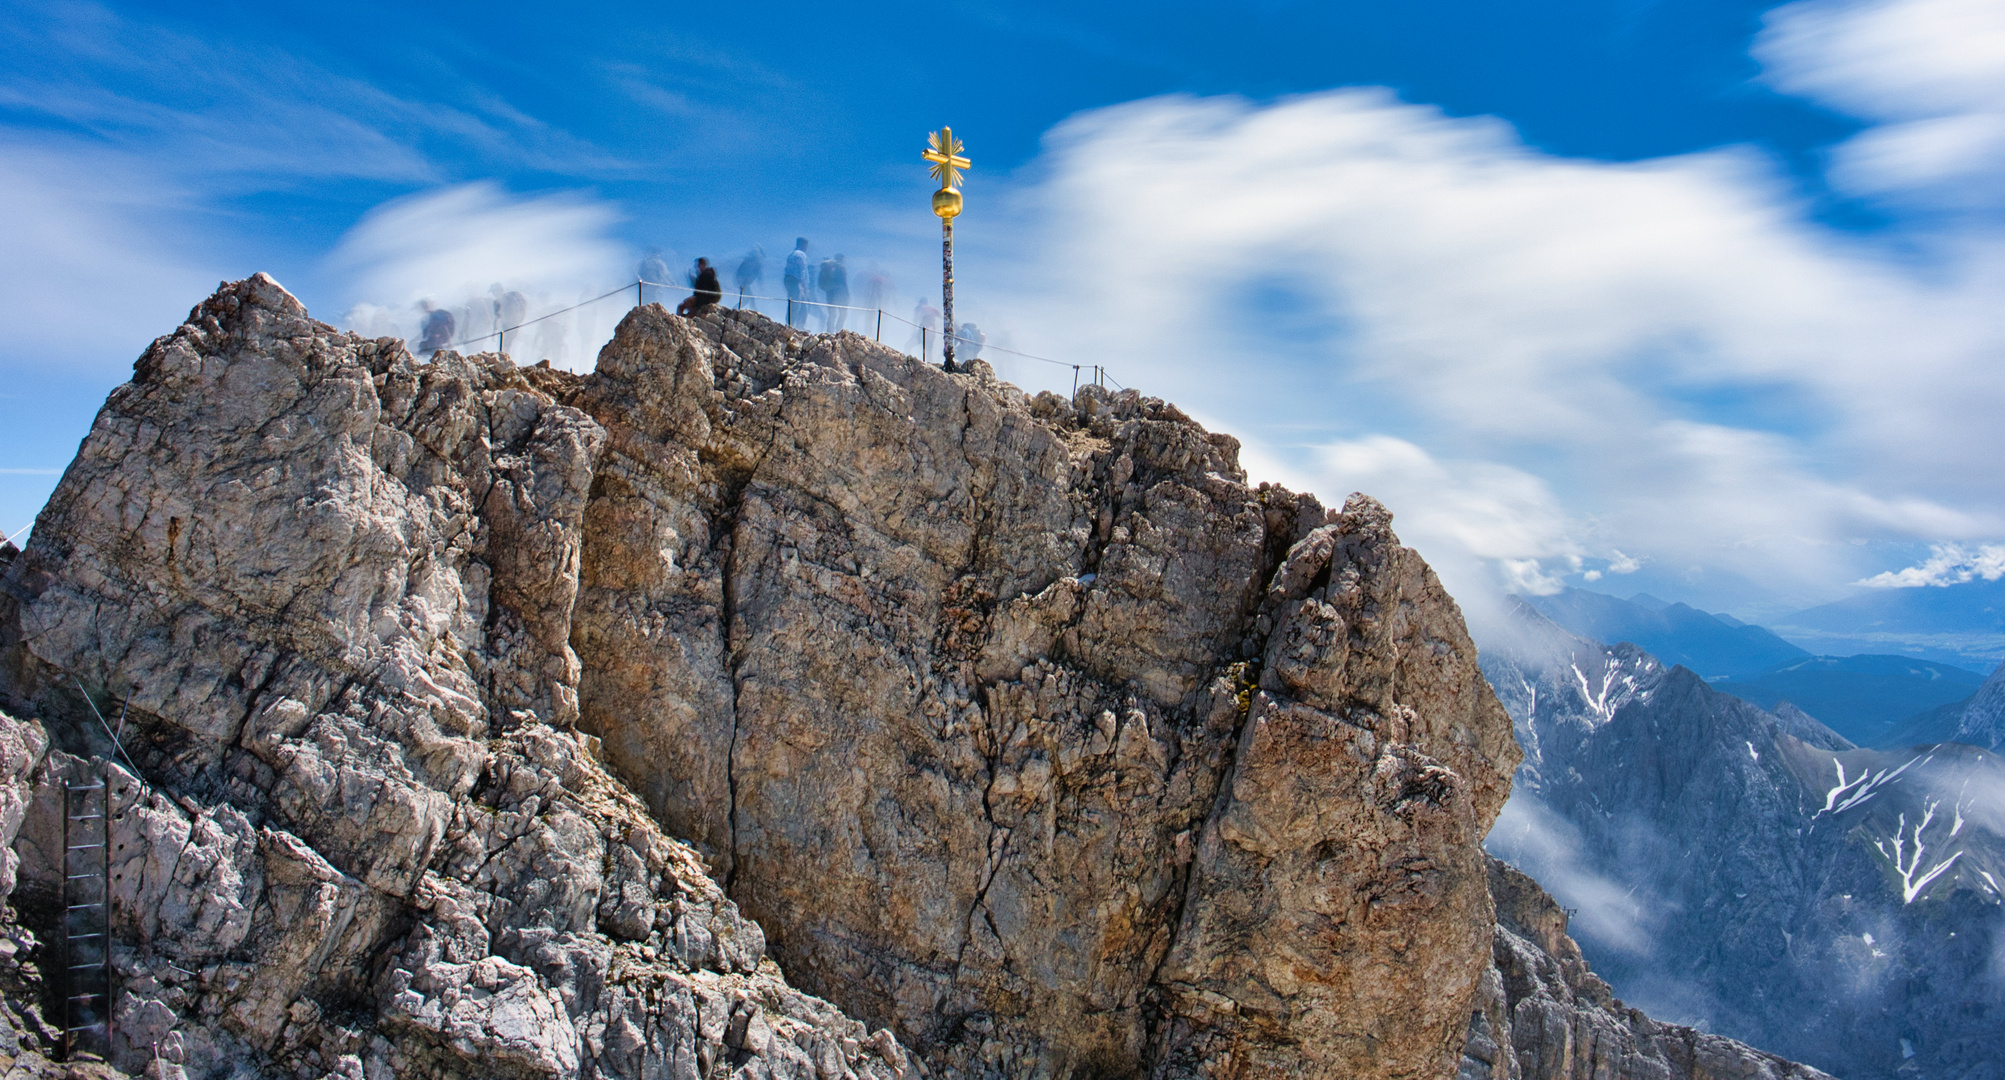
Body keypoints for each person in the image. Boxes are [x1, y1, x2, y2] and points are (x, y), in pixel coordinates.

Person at [819, 254, 850, 332]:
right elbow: (843, 283)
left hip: (830, 294)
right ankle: (838, 331)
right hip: (840, 295)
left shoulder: (829, 268)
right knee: (842, 314)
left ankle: (830, 331)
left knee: (832, 314)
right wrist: (847, 295)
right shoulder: (840, 268)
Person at [783, 238, 810, 327]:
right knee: (798, 304)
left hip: (789, 280)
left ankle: (791, 324)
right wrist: (805, 285)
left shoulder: (792, 254)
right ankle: (794, 326)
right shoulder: (801, 255)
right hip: (796, 281)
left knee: (796, 303)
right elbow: (803, 270)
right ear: (803, 245)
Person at [909, 297, 940, 362]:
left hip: (924, 331)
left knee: (908, 346)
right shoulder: (932, 309)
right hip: (931, 332)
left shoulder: (919, 308)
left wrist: (914, 330)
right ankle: (930, 365)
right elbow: (942, 317)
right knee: (928, 352)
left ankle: (909, 361)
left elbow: (915, 320)